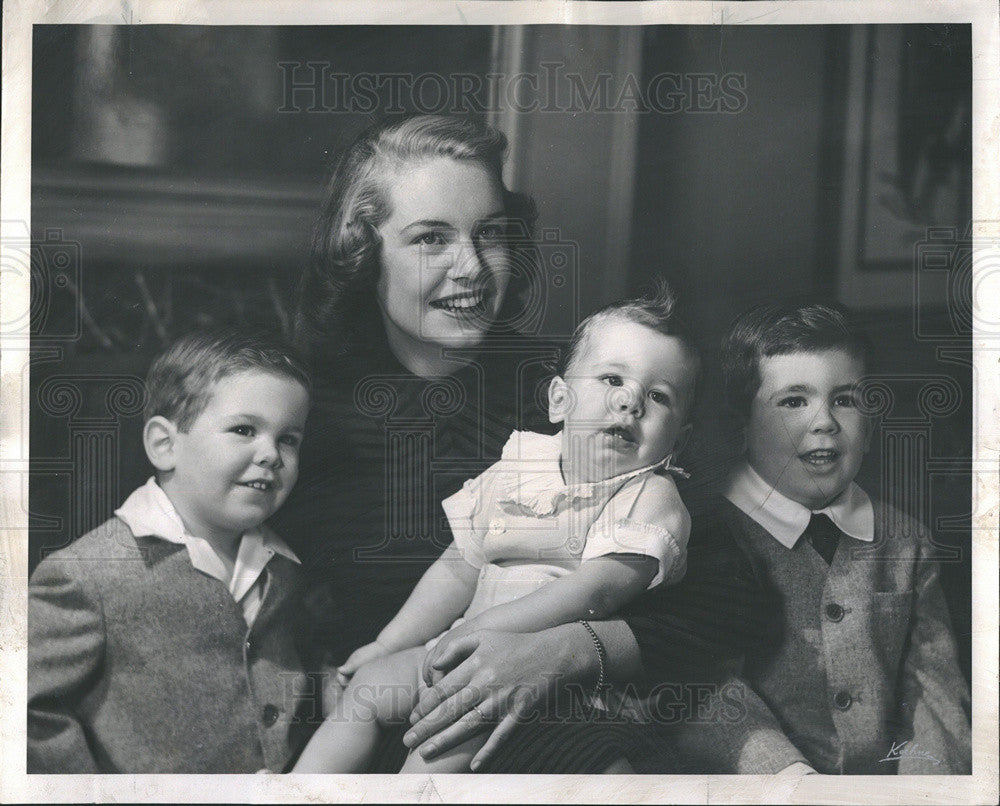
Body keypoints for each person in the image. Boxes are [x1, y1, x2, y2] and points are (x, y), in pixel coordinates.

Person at [277, 114, 774, 773]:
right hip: (399, 723)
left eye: (491, 234)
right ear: (365, 250)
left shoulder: (583, 388)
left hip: (577, 716)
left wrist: (567, 652)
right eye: (431, 238)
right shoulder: (300, 413)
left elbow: (735, 593)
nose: (473, 268)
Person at [293, 285, 700, 772]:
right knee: (368, 689)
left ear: (681, 437)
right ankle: (297, 790)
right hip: (464, 648)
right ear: (559, 400)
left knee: (439, 741)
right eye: (612, 379)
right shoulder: (521, 465)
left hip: (547, 681)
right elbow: (459, 566)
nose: (630, 402)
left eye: (659, 397)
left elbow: (598, 592)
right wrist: (391, 642)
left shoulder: (649, 496)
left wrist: (489, 630)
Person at [671, 301, 972, 774]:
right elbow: (701, 686)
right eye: (794, 401)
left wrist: (925, 787)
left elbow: (933, 698)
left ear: (869, 427)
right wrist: (788, 777)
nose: (825, 421)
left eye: (846, 400)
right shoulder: (702, 530)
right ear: (742, 428)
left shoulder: (905, 542)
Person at [27, 329, 316, 773]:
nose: (271, 454)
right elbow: (25, 709)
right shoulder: (88, 573)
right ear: (165, 445)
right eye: (244, 429)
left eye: (289, 439)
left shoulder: (284, 567)